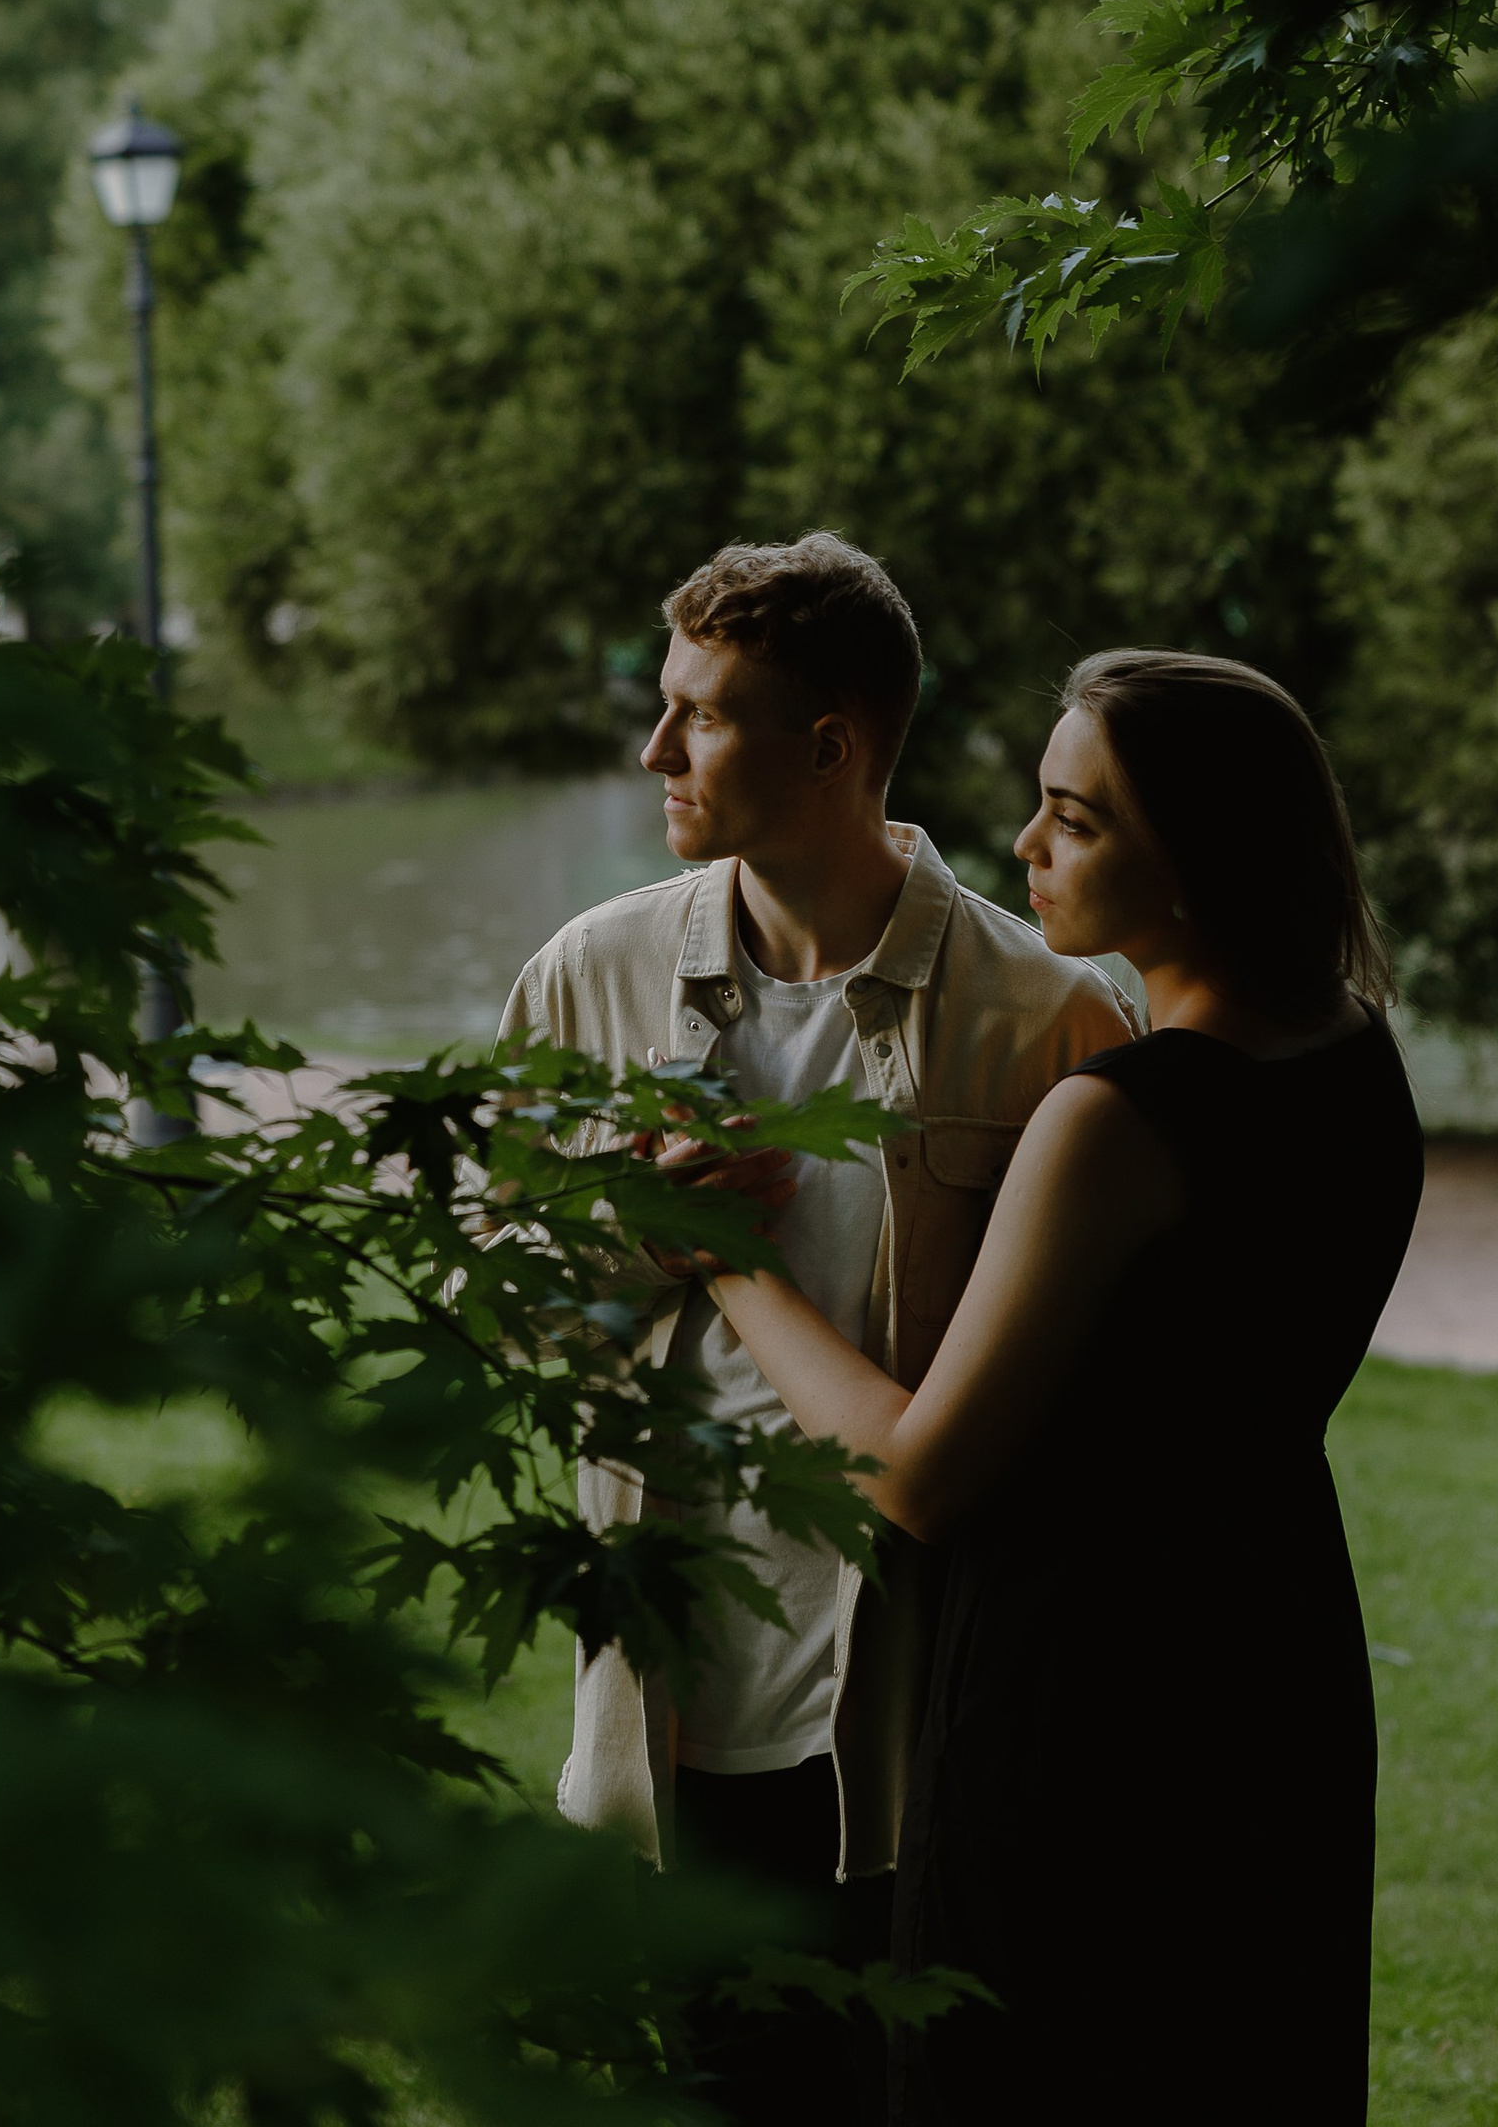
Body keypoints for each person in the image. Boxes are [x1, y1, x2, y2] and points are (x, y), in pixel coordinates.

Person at [664, 647, 1423, 2127]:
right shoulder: (1353, 1055)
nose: (1024, 845)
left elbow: (916, 1479)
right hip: (1274, 1658)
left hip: (1086, 1703)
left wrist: (729, 1261)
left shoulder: (1119, 1121)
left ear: (1197, 861)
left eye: (1075, 820)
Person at [500, 534, 1131, 2127]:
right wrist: (631, 1242)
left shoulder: (1045, 1019)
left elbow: (1091, 1427)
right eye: (666, 703)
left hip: (925, 1750)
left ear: (832, 746)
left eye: (703, 716)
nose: (655, 749)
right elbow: (496, 1323)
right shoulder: (585, 983)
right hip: (663, 1740)